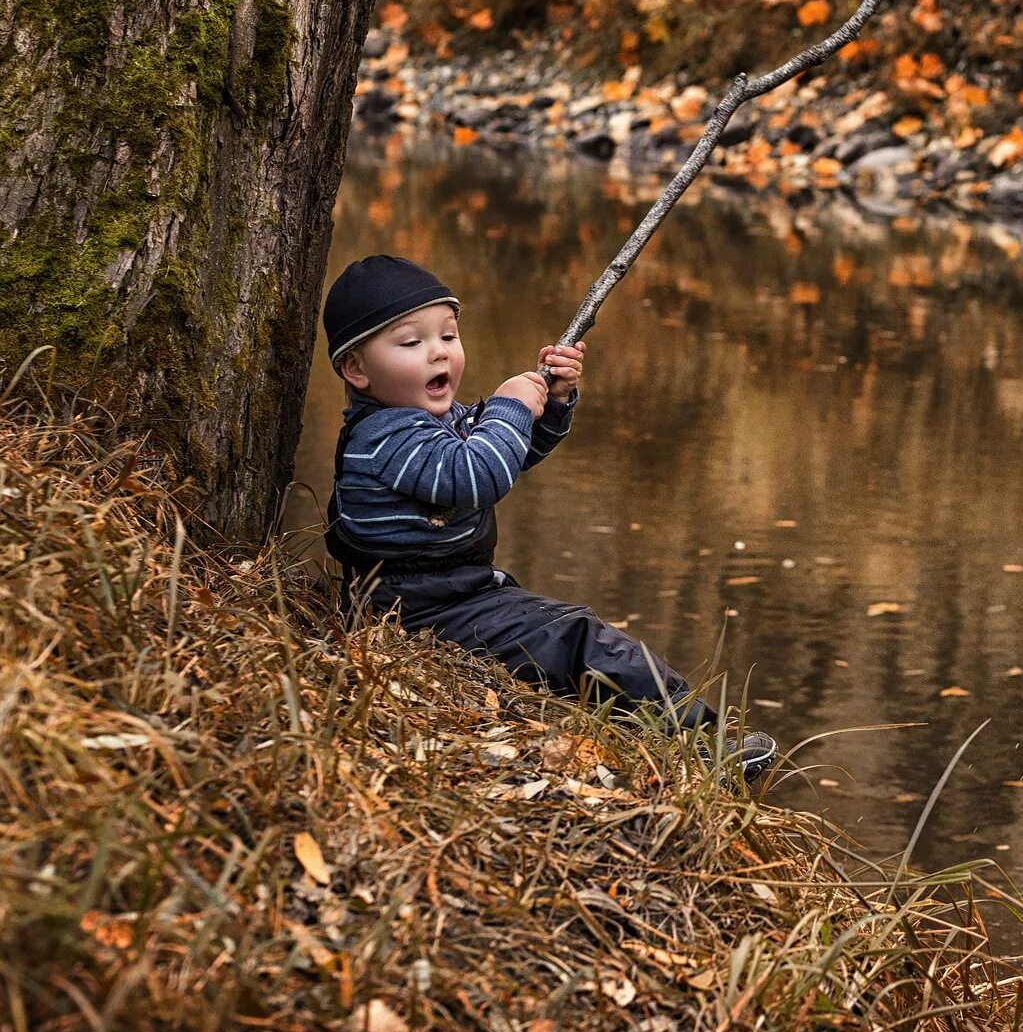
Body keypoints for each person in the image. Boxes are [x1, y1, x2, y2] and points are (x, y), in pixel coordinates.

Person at [320, 254, 775, 781]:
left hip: (450, 593)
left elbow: (506, 455)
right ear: (357, 369)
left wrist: (550, 404)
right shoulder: (387, 438)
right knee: (576, 637)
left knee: (562, 646)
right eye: (411, 342)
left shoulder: (426, 422)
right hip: (417, 609)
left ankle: (662, 745)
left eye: (448, 336)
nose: (438, 352)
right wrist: (511, 406)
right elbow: (478, 475)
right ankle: (700, 745)